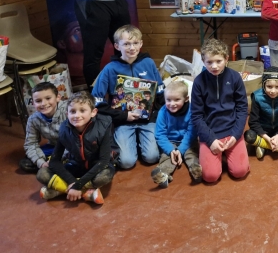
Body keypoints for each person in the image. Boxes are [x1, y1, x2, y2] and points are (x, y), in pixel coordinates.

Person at [92, 25, 164, 169]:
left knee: (152, 157)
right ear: (117, 46)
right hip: (123, 120)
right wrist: (123, 116)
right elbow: (96, 100)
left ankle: (140, 142)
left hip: (148, 119)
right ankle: (127, 142)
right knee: (126, 162)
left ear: (141, 44)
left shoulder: (148, 63)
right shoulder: (110, 68)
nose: (132, 47)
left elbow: (161, 92)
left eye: (135, 43)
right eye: (126, 44)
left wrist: (155, 113)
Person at [37, 91, 115, 205]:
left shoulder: (103, 126)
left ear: (93, 112)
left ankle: (60, 190)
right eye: (72, 111)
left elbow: (103, 162)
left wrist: (77, 185)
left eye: (82, 110)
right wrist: (73, 183)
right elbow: (54, 161)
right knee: (42, 174)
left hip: (97, 167)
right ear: (67, 113)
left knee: (104, 177)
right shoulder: (64, 129)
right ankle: (86, 193)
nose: (77, 115)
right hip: (75, 165)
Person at [190, 39, 250, 183]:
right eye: (209, 62)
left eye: (218, 61)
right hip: (210, 132)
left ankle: (228, 153)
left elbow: (242, 109)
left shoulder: (235, 78)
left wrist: (236, 135)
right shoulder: (199, 82)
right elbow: (196, 116)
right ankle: (214, 153)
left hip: (231, 132)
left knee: (240, 172)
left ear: (226, 59)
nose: (214, 66)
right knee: (210, 177)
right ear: (203, 61)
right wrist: (210, 140)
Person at [151, 81, 202, 188]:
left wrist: (181, 150)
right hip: (170, 142)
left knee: (191, 154)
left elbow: (191, 133)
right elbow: (160, 134)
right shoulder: (162, 112)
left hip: (188, 141)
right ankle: (163, 174)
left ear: (186, 99)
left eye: (177, 99)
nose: (172, 104)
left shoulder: (192, 111)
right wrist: (171, 150)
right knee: (166, 156)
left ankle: (196, 170)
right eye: (168, 100)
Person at [19, 82, 68, 174]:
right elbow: (31, 144)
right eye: (38, 101)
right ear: (33, 103)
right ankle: (51, 167)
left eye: (48, 98)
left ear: (58, 97)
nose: (44, 103)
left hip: (73, 147)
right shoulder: (33, 119)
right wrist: (40, 162)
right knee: (25, 163)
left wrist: (59, 158)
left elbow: (77, 140)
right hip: (54, 147)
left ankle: (59, 165)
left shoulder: (69, 111)